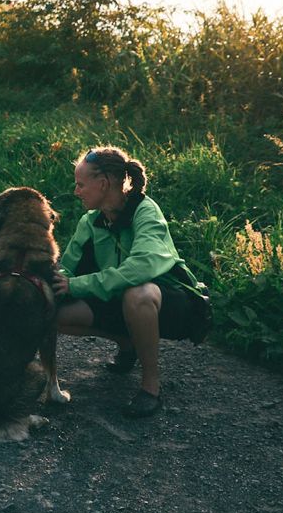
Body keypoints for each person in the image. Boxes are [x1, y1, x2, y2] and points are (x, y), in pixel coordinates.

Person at [50, 145, 211, 418]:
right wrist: (56, 284)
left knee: (138, 293)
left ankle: (151, 388)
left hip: (171, 303)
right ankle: (128, 343)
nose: (76, 191)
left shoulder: (145, 211)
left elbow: (142, 267)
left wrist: (78, 285)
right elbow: (67, 268)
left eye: (80, 184)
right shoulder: (90, 221)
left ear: (103, 184)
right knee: (52, 313)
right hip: (116, 300)